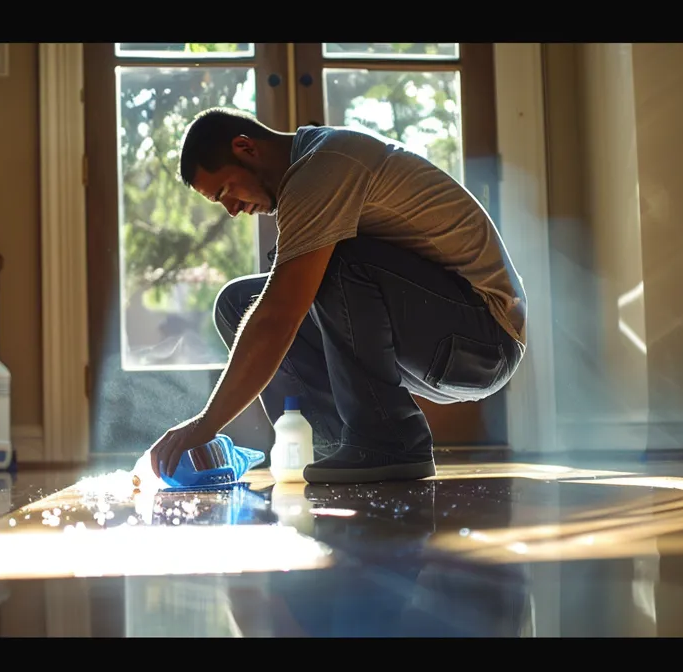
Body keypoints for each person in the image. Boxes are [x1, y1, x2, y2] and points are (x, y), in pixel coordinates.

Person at [146, 107, 527, 484]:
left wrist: (206, 423)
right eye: (219, 201)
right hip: (439, 339)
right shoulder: (308, 177)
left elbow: (279, 318)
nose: (231, 210)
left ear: (246, 148)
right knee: (238, 302)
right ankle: (333, 446)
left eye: (226, 190)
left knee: (329, 261)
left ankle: (390, 442)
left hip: (485, 338)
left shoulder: (323, 167)